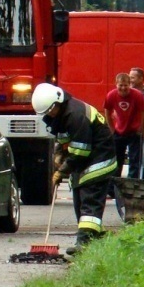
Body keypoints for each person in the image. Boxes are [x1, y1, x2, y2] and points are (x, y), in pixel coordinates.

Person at [32, 83, 117, 255]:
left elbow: (80, 151)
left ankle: (84, 244)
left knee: (89, 202)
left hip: (99, 160)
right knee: (79, 201)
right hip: (86, 160)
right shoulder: (62, 114)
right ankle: (95, 239)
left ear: (57, 103)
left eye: (50, 111)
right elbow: (65, 139)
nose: (49, 114)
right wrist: (59, 155)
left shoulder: (76, 115)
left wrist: (61, 171)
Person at [103, 73, 144, 178]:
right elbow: (107, 113)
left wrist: (141, 130)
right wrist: (112, 130)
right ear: (116, 84)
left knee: (134, 162)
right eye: (121, 85)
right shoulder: (111, 95)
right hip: (118, 132)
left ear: (130, 85)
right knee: (116, 161)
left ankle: (132, 183)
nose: (123, 88)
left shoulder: (137, 95)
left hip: (134, 132)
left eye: (126, 85)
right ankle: (115, 184)